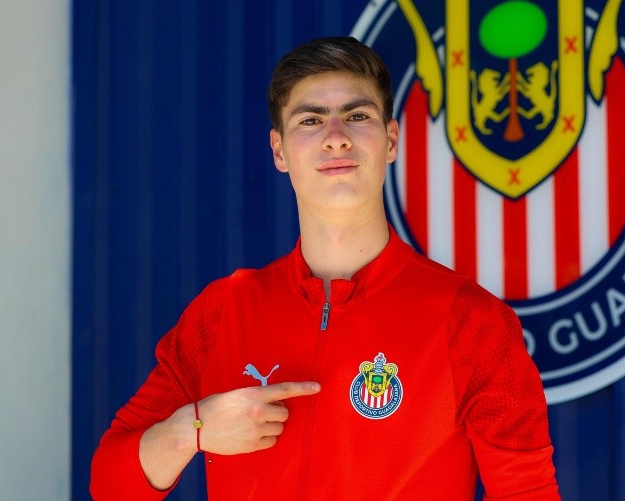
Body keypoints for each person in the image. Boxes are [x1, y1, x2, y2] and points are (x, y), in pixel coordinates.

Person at [90, 36, 560, 500]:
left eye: (357, 116)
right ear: (279, 151)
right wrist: (191, 431)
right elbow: (110, 485)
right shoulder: (224, 311)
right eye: (311, 120)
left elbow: (528, 493)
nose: (336, 137)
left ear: (391, 140)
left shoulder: (471, 321)